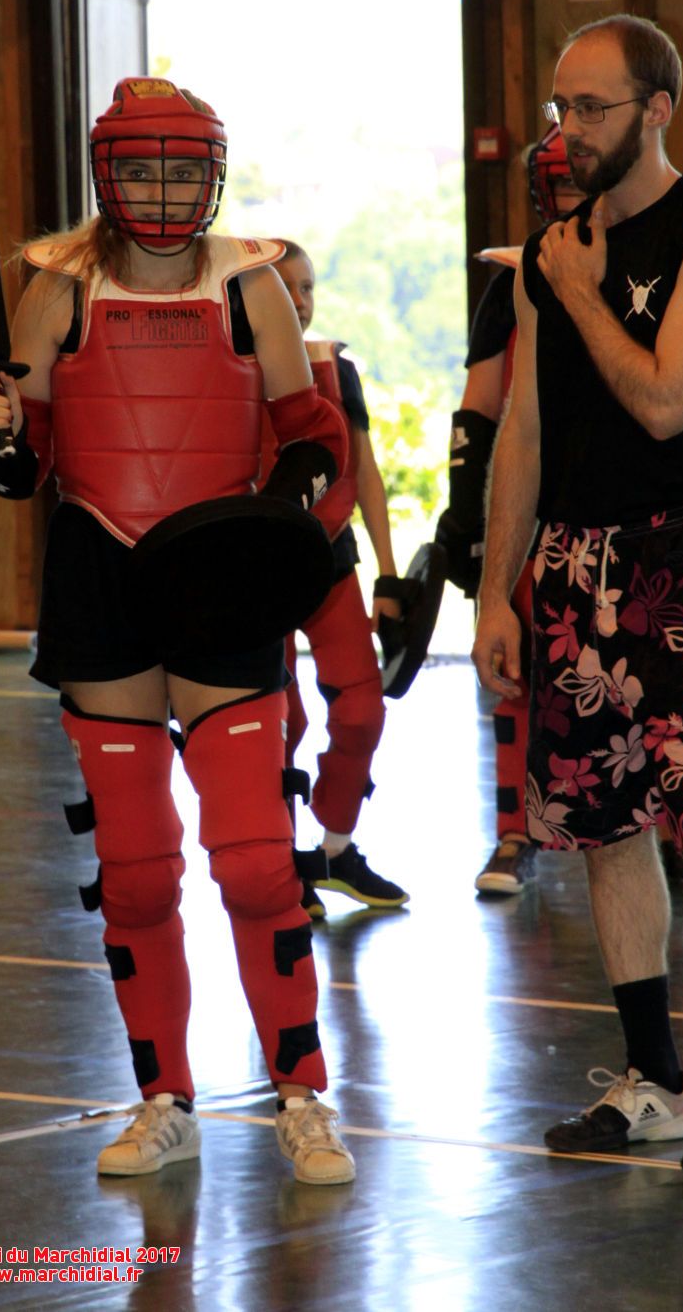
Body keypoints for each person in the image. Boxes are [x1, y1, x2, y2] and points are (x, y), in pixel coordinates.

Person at [0, 78, 355, 1186]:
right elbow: (23, 468)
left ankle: (301, 1092)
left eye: (180, 170)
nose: (160, 191)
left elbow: (309, 430)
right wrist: (2, 433)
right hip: (100, 574)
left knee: (252, 862)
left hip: (220, 575)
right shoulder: (57, 289)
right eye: (139, 170)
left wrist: (285, 510)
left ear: (213, 174)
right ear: (106, 174)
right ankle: (163, 1099)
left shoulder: (249, 285)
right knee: (137, 874)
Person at [472, 15, 683, 1179]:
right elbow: (528, 433)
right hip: (571, 565)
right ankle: (652, 1079)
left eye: (589, 109)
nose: (566, 132)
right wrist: (498, 591)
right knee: (600, 832)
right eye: (558, 109)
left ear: (655, 109)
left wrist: (583, 292)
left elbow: (664, 402)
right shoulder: (556, 247)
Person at [438, 125, 585, 896]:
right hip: (531, 505)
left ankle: (660, 831)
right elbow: (480, 408)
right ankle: (513, 832)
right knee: (515, 668)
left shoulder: (664, 265)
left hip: (623, 507)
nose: (575, 196)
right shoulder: (513, 280)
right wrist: (467, 512)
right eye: (561, 183)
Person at [266, 239, 408, 918]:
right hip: (257, 567)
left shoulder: (335, 367)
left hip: (330, 560)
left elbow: (367, 473)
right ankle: (276, 860)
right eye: (285, 288)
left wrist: (389, 573)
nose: (299, 300)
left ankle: (334, 850)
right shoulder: (229, 366)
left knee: (362, 710)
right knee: (278, 719)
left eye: (308, 287)